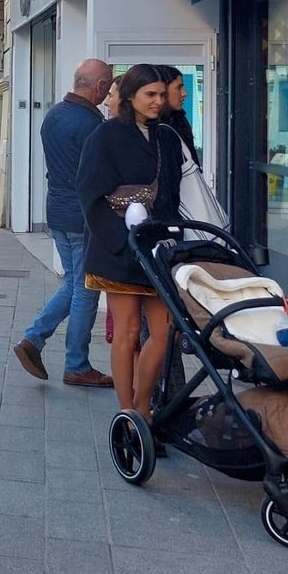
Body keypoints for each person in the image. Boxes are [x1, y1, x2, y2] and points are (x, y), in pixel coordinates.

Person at [76, 64, 184, 419]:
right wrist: (122, 242)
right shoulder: (106, 136)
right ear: (130, 97)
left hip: (157, 247)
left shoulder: (167, 137)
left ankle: (143, 403)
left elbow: (171, 195)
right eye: (149, 95)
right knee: (128, 330)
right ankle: (128, 409)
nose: (157, 101)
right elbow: (90, 194)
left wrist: (172, 240)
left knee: (165, 331)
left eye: (160, 94)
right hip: (117, 247)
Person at [13, 59, 115, 388]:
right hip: (82, 215)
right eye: (108, 86)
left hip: (56, 210)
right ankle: (77, 364)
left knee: (73, 283)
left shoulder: (54, 115)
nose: (108, 93)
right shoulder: (92, 124)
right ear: (98, 87)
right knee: (86, 287)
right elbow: (99, 175)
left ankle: (34, 339)